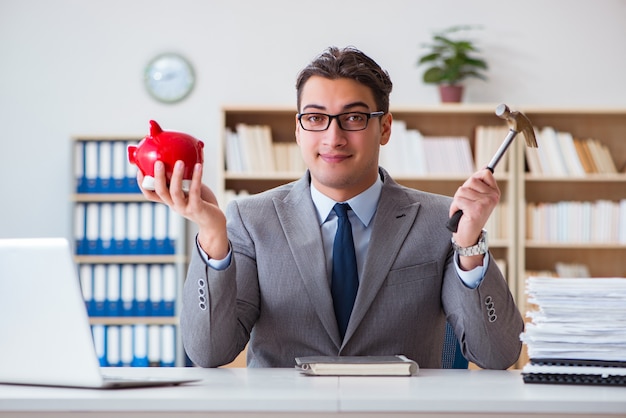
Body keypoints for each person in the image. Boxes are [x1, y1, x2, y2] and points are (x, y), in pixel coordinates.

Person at [138, 46, 524, 369]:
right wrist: (211, 234)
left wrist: (470, 244)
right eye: (316, 118)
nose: (333, 137)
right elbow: (209, 353)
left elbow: (497, 354)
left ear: (385, 127)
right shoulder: (249, 220)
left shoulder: (442, 222)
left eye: (354, 118)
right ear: (298, 129)